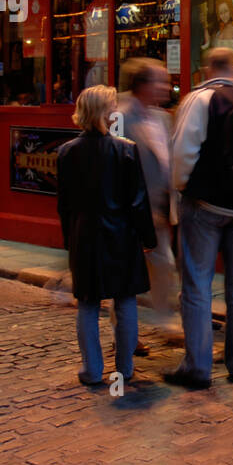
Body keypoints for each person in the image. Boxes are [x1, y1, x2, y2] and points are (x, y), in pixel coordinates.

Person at [167, 47, 233, 389]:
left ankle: (198, 367)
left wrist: (182, 190)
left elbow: (183, 152)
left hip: (205, 206)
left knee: (197, 286)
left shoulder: (199, 100)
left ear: (206, 68)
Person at [57, 85, 157, 387]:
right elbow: (138, 201)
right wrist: (147, 238)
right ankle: (124, 368)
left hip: (85, 236)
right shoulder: (126, 150)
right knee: (125, 300)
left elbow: (65, 205)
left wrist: (68, 241)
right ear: (105, 112)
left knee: (88, 303)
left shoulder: (66, 152)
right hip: (122, 236)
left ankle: (91, 369)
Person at [118, 58, 176, 349]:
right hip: (130, 213)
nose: (166, 86)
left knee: (164, 266)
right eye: (160, 80)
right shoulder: (120, 116)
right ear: (141, 85)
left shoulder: (164, 118)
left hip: (158, 211)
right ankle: (126, 334)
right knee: (127, 274)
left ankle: (165, 322)